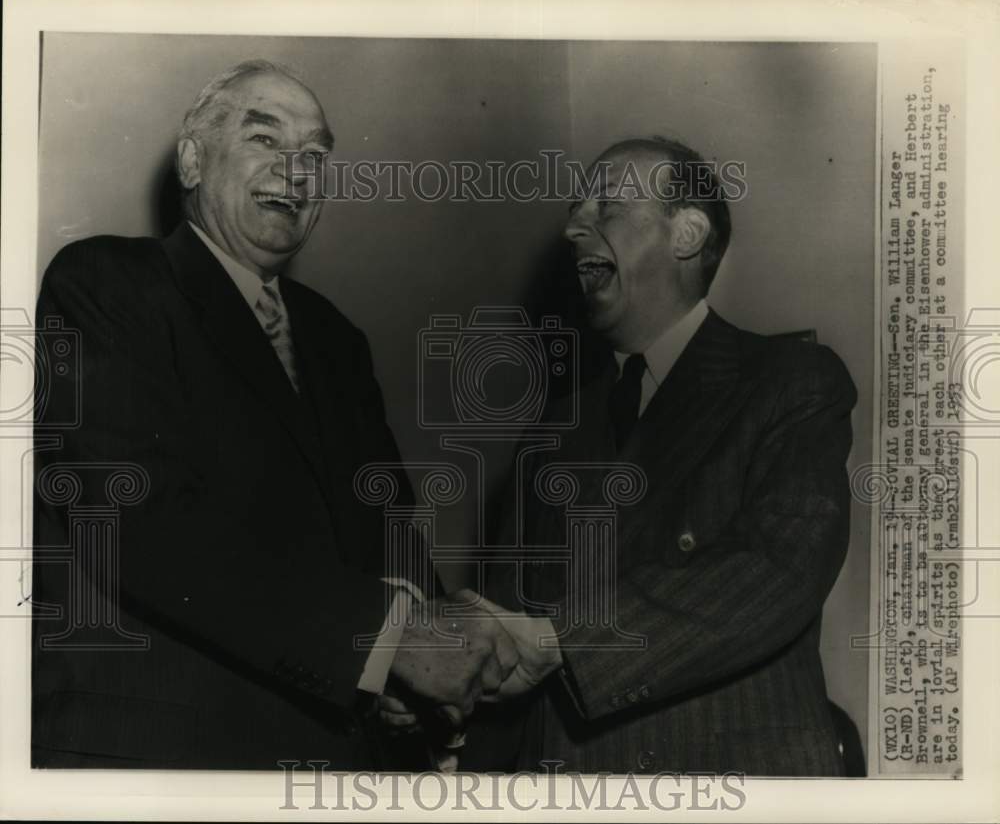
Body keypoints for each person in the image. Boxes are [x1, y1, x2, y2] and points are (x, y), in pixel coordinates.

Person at [31, 59, 513, 770]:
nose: (297, 171)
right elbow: (137, 514)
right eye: (265, 139)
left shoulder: (336, 337)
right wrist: (385, 641)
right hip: (164, 753)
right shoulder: (107, 282)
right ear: (193, 162)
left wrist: (420, 645)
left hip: (329, 756)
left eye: (315, 154)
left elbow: (391, 521)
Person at [382, 136, 858, 777]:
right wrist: (444, 693)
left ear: (686, 233)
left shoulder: (792, 379)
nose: (574, 227)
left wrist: (557, 642)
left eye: (606, 204)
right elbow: (504, 634)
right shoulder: (554, 428)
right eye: (577, 209)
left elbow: (777, 569)